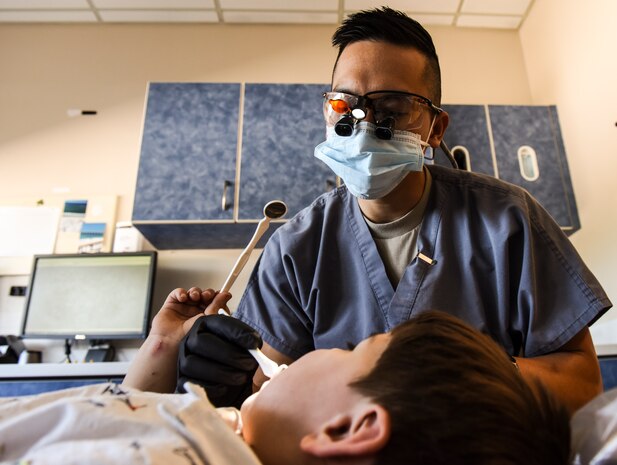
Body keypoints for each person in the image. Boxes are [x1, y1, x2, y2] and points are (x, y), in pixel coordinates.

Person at [176, 7, 612, 414]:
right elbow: (266, 393)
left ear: (435, 128)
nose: (363, 128)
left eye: (391, 110)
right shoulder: (295, 249)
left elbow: (581, 384)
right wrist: (225, 374)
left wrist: (461, 375)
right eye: (345, 107)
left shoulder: (509, 221)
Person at [1, 288, 571, 465]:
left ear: (347, 430)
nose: (312, 352)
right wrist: (164, 346)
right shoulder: (233, 438)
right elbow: (122, 417)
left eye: (350, 348)